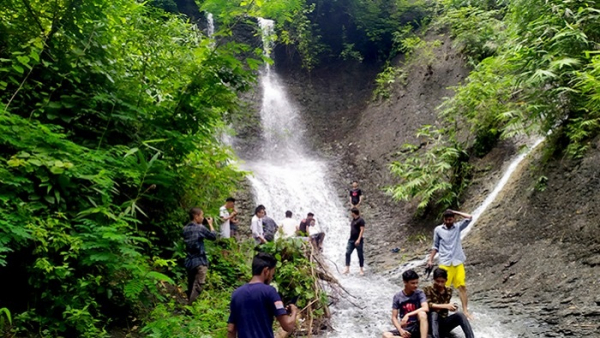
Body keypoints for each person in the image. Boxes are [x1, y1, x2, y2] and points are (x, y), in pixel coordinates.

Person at [227, 252, 298, 338]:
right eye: (272, 274)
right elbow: (287, 326)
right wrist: (294, 311)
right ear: (266, 271)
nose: (271, 277)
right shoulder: (270, 291)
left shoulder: (236, 294)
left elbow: (231, 329)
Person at [427, 209, 474, 320]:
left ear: (454, 219)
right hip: (445, 261)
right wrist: (430, 259)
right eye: (446, 219)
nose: (448, 221)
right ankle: (442, 311)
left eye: (450, 219)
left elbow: (469, 217)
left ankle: (465, 311)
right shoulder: (438, 230)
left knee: (462, 286)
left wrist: (455, 211)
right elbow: (435, 245)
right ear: (444, 219)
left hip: (457, 261)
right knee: (442, 287)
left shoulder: (458, 227)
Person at [423, 268, 475, 338]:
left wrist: (452, 308)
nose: (440, 284)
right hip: (431, 323)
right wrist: (446, 306)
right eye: (437, 281)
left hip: (443, 322)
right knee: (434, 314)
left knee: (460, 315)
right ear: (434, 280)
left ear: (446, 280)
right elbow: (428, 305)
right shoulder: (427, 289)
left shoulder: (449, 291)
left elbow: (446, 307)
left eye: (442, 281)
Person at [182, 207, 217, 305]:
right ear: (196, 216)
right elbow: (213, 236)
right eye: (201, 215)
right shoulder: (200, 228)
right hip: (200, 260)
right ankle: (191, 308)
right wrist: (210, 224)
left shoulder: (185, 229)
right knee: (198, 285)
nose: (202, 218)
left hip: (189, 261)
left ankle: (189, 303)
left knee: (191, 283)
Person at [382, 269, 429, 338]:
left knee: (422, 313)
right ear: (405, 282)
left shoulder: (419, 293)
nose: (416, 285)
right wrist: (400, 330)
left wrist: (408, 314)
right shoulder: (397, 296)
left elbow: (425, 308)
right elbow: (394, 317)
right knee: (386, 335)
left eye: (417, 283)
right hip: (406, 327)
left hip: (418, 325)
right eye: (413, 283)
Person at [343, 208, 365, 275]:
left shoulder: (361, 220)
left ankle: (361, 269)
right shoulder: (353, 220)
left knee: (360, 255)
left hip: (358, 240)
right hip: (351, 240)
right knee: (347, 253)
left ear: (354, 213)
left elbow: (362, 230)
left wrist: (358, 239)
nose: (351, 214)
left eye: (351, 212)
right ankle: (347, 268)